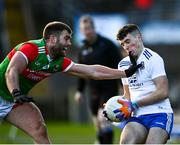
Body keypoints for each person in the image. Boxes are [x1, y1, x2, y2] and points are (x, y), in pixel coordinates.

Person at [0, 21, 142, 144]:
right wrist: (16, 92)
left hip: (13, 100)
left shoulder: (58, 61)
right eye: (66, 38)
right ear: (53, 39)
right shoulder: (31, 49)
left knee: (39, 130)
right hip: (13, 94)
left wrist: (125, 73)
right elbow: (11, 71)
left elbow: (93, 72)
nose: (69, 43)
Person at [111, 24, 174, 144]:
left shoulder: (153, 59)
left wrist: (135, 104)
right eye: (123, 44)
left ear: (139, 37)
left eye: (128, 41)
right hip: (138, 116)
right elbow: (127, 95)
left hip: (160, 113)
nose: (126, 47)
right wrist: (113, 106)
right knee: (126, 143)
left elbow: (163, 92)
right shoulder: (122, 65)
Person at [74, 15, 121, 144]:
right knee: (98, 124)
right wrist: (79, 91)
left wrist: (123, 86)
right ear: (81, 31)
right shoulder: (82, 49)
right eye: (84, 29)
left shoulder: (107, 44)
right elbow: (81, 72)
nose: (87, 31)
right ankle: (100, 141)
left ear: (94, 28)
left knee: (103, 118)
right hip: (93, 90)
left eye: (89, 28)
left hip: (109, 88)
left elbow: (119, 66)